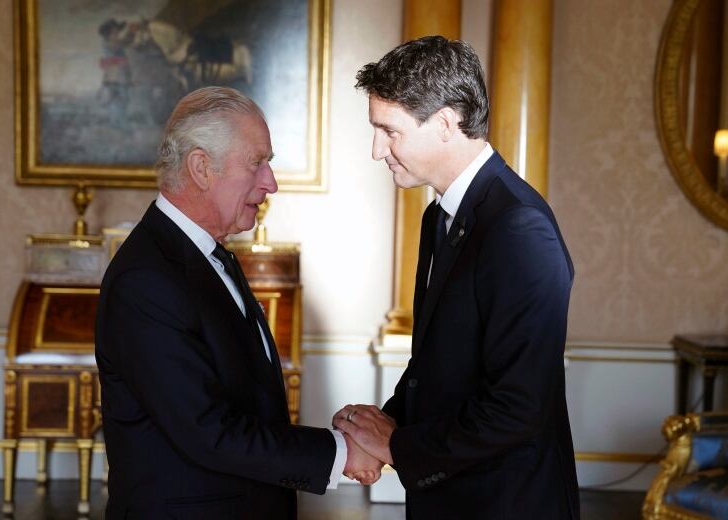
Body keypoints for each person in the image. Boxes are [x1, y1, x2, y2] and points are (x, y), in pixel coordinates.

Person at [95, 86, 381, 520]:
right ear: (201, 167)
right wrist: (340, 452)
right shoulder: (146, 279)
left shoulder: (208, 254)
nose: (271, 183)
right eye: (257, 162)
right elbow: (208, 431)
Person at [333, 36, 580, 519]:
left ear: (445, 123)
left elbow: (518, 407)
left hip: (505, 504)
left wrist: (398, 446)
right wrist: (381, 423)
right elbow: (439, 365)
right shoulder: (439, 216)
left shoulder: (519, 227)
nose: (376, 149)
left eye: (390, 131)